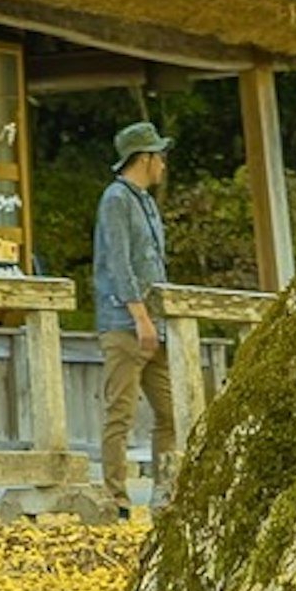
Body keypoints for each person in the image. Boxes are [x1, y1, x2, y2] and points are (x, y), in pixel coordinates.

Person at [92, 120, 176, 508]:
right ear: (144, 157)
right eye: (159, 155)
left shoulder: (145, 201)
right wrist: (140, 316)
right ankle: (115, 497)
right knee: (120, 412)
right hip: (124, 322)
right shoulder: (116, 199)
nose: (163, 164)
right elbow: (118, 263)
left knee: (171, 411)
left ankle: (165, 491)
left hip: (154, 322)